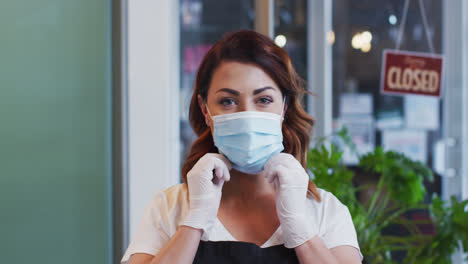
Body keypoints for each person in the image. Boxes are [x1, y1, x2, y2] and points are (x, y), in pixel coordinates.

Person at [121, 30, 363, 264]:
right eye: (228, 101)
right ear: (205, 110)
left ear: (284, 108)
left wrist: (300, 225)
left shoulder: (325, 212)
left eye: (264, 100)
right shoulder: (169, 207)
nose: (247, 115)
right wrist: (194, 221)